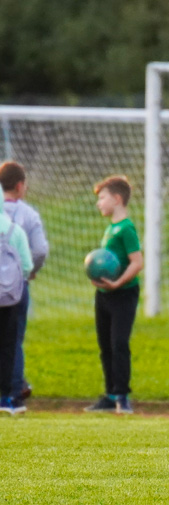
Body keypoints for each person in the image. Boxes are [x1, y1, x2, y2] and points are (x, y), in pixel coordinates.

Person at [86, 176, 143, 415]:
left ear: (117, 199)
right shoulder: (110, 229)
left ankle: (122, 396)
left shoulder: (126, 228)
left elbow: (137, 262)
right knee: (105, 345)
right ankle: (110, 395)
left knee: (119, 343)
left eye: (102, 198)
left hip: (123, 295)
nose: (99, 203)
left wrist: (118, 282)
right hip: (104, 295)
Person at [1, 161, 49, 413]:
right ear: (20, 186)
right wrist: (30, 272)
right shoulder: (27, 215)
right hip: (15, 288)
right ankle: (12, 396)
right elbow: (40, 250)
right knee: (12, 339)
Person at [0, 198, 33, 415]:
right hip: (9, 298)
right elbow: (28, 266)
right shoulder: (14, 230)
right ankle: (7, 398)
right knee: (8, 347)